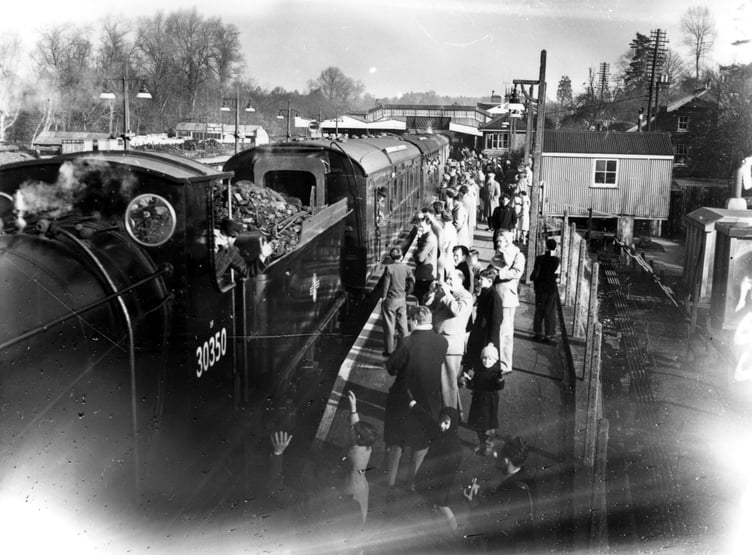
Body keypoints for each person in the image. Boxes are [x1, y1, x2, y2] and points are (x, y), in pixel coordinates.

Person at [384, 305, 447, 495]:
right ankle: (411, 484)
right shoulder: (442, 342)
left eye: (409, 320)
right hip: (429, 402)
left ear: (414, 321)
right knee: (421, 443)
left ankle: (390, 483)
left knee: (396, 441)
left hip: (403, 400)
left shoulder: (408, 342)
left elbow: (392, 367)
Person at [463, 437, 534, 552]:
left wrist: (473, 503)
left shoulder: (508, 491)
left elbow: (486, 527)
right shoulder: (526, 480)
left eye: (498, 455)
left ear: (506, 461)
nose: (495, 456)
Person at [425, 269, 474, 409]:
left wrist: (446, 294)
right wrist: (431, 292)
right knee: (439, 380)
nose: (448, 282)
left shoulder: (466, 296)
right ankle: (446, 410)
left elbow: (458, 311)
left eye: (451, 279)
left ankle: (450, 414)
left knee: (448, 382)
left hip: (451, 345)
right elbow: (428, 306)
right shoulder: (446, 294)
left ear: (461, 280)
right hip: (438, 341)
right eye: (447, 279)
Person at [414, 407, 463, 532]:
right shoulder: (443, 435)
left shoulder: (452, 443)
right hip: (432, 478)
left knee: (443, 507)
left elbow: (451, 467)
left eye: (446, 423)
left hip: (441, 482)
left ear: (453, 424)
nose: (442, 425)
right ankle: (438, 529)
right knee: (434, 504)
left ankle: (454, 531)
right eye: (441, 421)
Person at [490, 231, 525, 374]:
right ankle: (495, 359)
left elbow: (517, 272)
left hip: (507, 299)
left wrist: (499, 274)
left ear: (507, 241)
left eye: (500, 241)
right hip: (496, 294)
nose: (497, 244)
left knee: (505, 332)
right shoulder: (499, 254)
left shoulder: (517, 255)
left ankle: (504, 364)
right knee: (496, 330)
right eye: (497, 241)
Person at [463, 343, 504, 456]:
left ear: (495, 360)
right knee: (478, 424)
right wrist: (469, 381)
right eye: (484, 358)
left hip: (489, 401)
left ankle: (488, 445)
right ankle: (481, 443)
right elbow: (474, 384)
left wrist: (500, 379)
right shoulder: (479, 370)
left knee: (488, 427)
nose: (487, 361)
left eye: (490, 359)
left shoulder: (496, 372)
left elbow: (499, 386)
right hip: (478, 400)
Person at [344, 390, 378, 524]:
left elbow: (354, 428)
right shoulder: (366, 446)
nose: (351, 429)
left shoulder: (354, 454)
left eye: (353, 430)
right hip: (362, 487)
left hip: (351, 490)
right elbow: (356, 427)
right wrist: (353, 409)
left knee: (349, 518)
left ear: (357, 437)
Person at [381, 246, 414, 356]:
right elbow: (411, 282)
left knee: (389, 325)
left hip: (390, 300)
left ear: (391, 257)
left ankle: (389, 351)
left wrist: (383, 297)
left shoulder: (389, 268)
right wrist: (407, 292)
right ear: (402, 257)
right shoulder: (406, 268)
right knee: (403, 325)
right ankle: (404, 348)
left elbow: (386, 285)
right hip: (401, 299)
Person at [531, 238, 560, 343]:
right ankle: (548, 335)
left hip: (540, 287)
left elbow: (535, 273)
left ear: (545, 246)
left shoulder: (539, 258)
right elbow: (555, 271)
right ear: (555, 248)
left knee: (539, 310)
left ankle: (537, 333)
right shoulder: (556, 260)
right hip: (551, 287)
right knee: (550, 311)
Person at [413, 215, 439, 304]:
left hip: (425, 275)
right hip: (424, 274)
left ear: (429, 225)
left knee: (422, 300)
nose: (420, 229)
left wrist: (415, 254)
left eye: (422, 226)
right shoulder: (426, 236)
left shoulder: (429, 238)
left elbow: (420, 258)